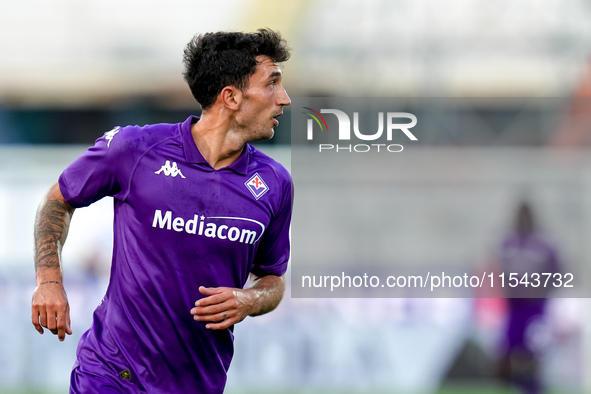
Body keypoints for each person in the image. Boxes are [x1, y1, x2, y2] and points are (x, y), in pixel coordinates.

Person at [31, 29, 293, 393]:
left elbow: (272, 279)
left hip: (198, 383)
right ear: (231, 97)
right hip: (112, 375)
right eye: (272, 83)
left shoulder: (275, 183)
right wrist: (49, 281)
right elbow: (59, 199)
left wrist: (250, 300)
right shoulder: (135, 149)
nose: (285, 99)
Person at [496, 201, 561, 394]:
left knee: (533, 353)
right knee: (506, 354)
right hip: (514, 309)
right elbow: (499, 271)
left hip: (536, 308)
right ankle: (516, 387)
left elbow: (558, 273)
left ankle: (533, 389)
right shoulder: (507, 243)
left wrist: (541, 293)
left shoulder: (544, 245)